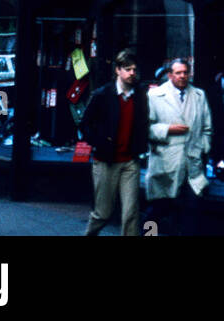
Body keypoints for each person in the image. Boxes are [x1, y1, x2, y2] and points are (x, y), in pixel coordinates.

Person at [80, 50, 148, 236]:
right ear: (118, 70)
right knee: (103, 213)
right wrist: (99, 143)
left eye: (134, 69)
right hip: (106, 162)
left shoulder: (140, 95)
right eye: (127, 69)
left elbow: (143, 122)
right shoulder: (103, 94)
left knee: (130, 213)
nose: (132, 73)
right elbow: (85, 125)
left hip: (129, 162)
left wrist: (141, 146)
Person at [146, 57, 212, 235]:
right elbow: (144, 128)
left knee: (191, 213)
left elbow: (207, 128)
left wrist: (203, 148)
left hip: (192, 165)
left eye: (185, 72)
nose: (183, 76)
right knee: (157, 211)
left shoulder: (199, 95)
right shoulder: (155, 96)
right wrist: (167, 130)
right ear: (169, 75)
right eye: (178, 73)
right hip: (166, 163)